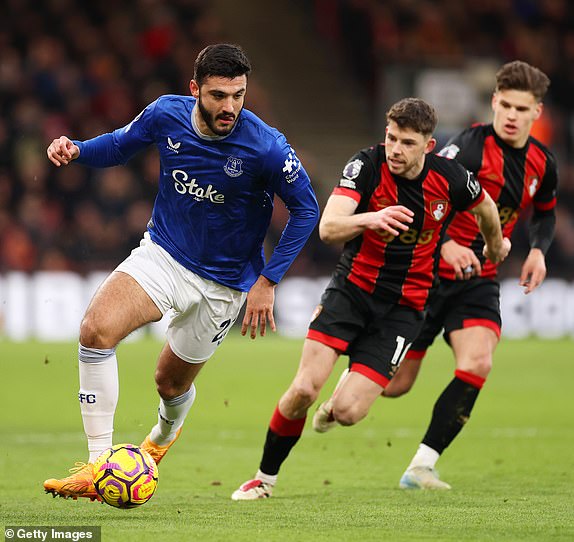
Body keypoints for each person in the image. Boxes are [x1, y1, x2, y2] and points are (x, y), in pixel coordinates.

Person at [43, 43, 320, 501]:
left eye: (238, 95)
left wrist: (268, 281)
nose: (229, 106)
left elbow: (306, 209)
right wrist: (78, 150)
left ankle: (163, 437)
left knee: (169, 382)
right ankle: (97, 466)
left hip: (225, 284)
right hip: (164, 256)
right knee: (95, 331)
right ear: (195, 90)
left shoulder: (265, 146)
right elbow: (119, 146)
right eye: (217, 95)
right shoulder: (166, 114)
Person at [231, 97, 510, 500]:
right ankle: (263, 479)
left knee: (347, 413)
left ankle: (341, 395)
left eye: (407, 143)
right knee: (304, 390)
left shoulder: (451, 177)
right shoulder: (367, 165)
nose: (396, 149)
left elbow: (485, 207)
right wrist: (370, 218)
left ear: (428, 146)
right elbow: (329, 228)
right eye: (391, 137)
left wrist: (494, 245)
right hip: (351, 292)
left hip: (405, 309)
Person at [315, 61, 558, 491]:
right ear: (493, 102)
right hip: (425, 277)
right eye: (505, 105)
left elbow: (544, 213)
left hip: (478, 279)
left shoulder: (542, 162)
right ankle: (346, 387)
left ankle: (422, 465)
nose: (512, 116)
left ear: (537, 112)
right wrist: (446, 243)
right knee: (398, 386)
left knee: (479, 361)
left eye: (522, 108)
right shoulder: (465, 147)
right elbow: (426, 194)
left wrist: (538, 249)